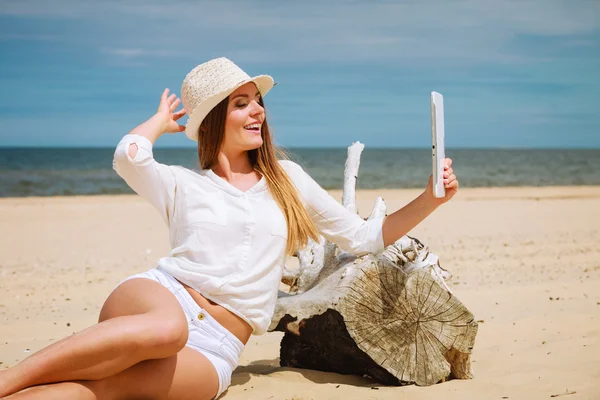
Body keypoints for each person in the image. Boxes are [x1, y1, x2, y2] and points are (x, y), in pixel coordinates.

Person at [0, 57, 458, 400]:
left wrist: (431, 199)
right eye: (242, 103)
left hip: (218, 344)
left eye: (258, 101)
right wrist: (160, 123)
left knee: (95, 390)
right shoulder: (182, 185)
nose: (257, 110)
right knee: (166, 330)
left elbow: (364, 238)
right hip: (163, 299)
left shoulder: (288, 179)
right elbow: (129, 157)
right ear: (214, 120)